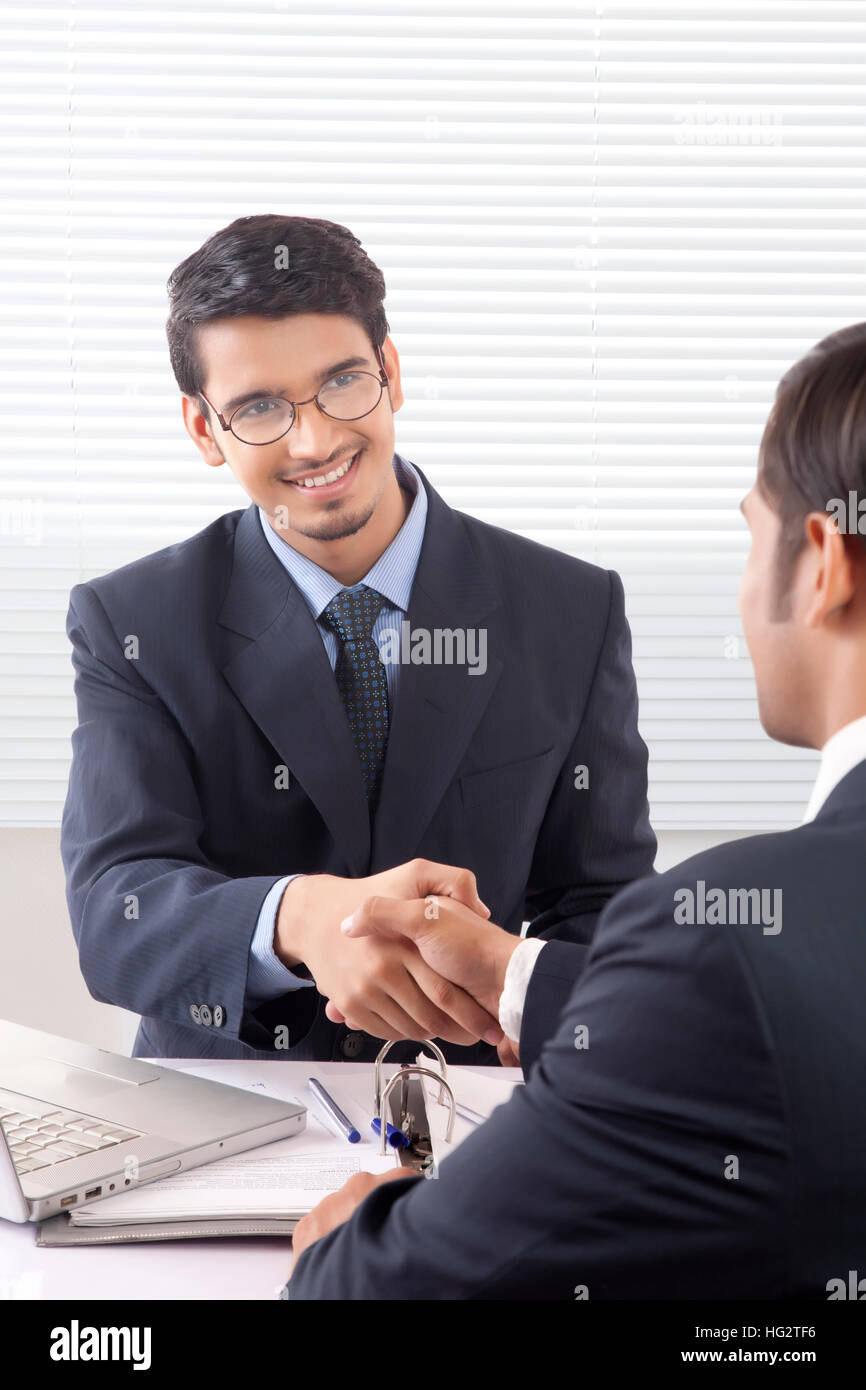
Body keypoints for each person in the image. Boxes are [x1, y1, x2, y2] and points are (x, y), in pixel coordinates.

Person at [287, 323, 866, 1298]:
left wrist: (350, 1234)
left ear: (823, 562)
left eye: (748, 531)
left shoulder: (721, 942)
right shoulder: (763, 952)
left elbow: (383, 1290)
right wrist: (521, 976)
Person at [60, 214, 656, 1066]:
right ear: (203, 430)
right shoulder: (133, 623)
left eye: (342, 384)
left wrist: (530, 1009)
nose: (316, 441)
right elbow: (116, 916)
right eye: (260, 408)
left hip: (480, 1114)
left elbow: (603, 906)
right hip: (225, 1115)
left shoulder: (568, 608)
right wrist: (300, 917)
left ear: (391, 373)